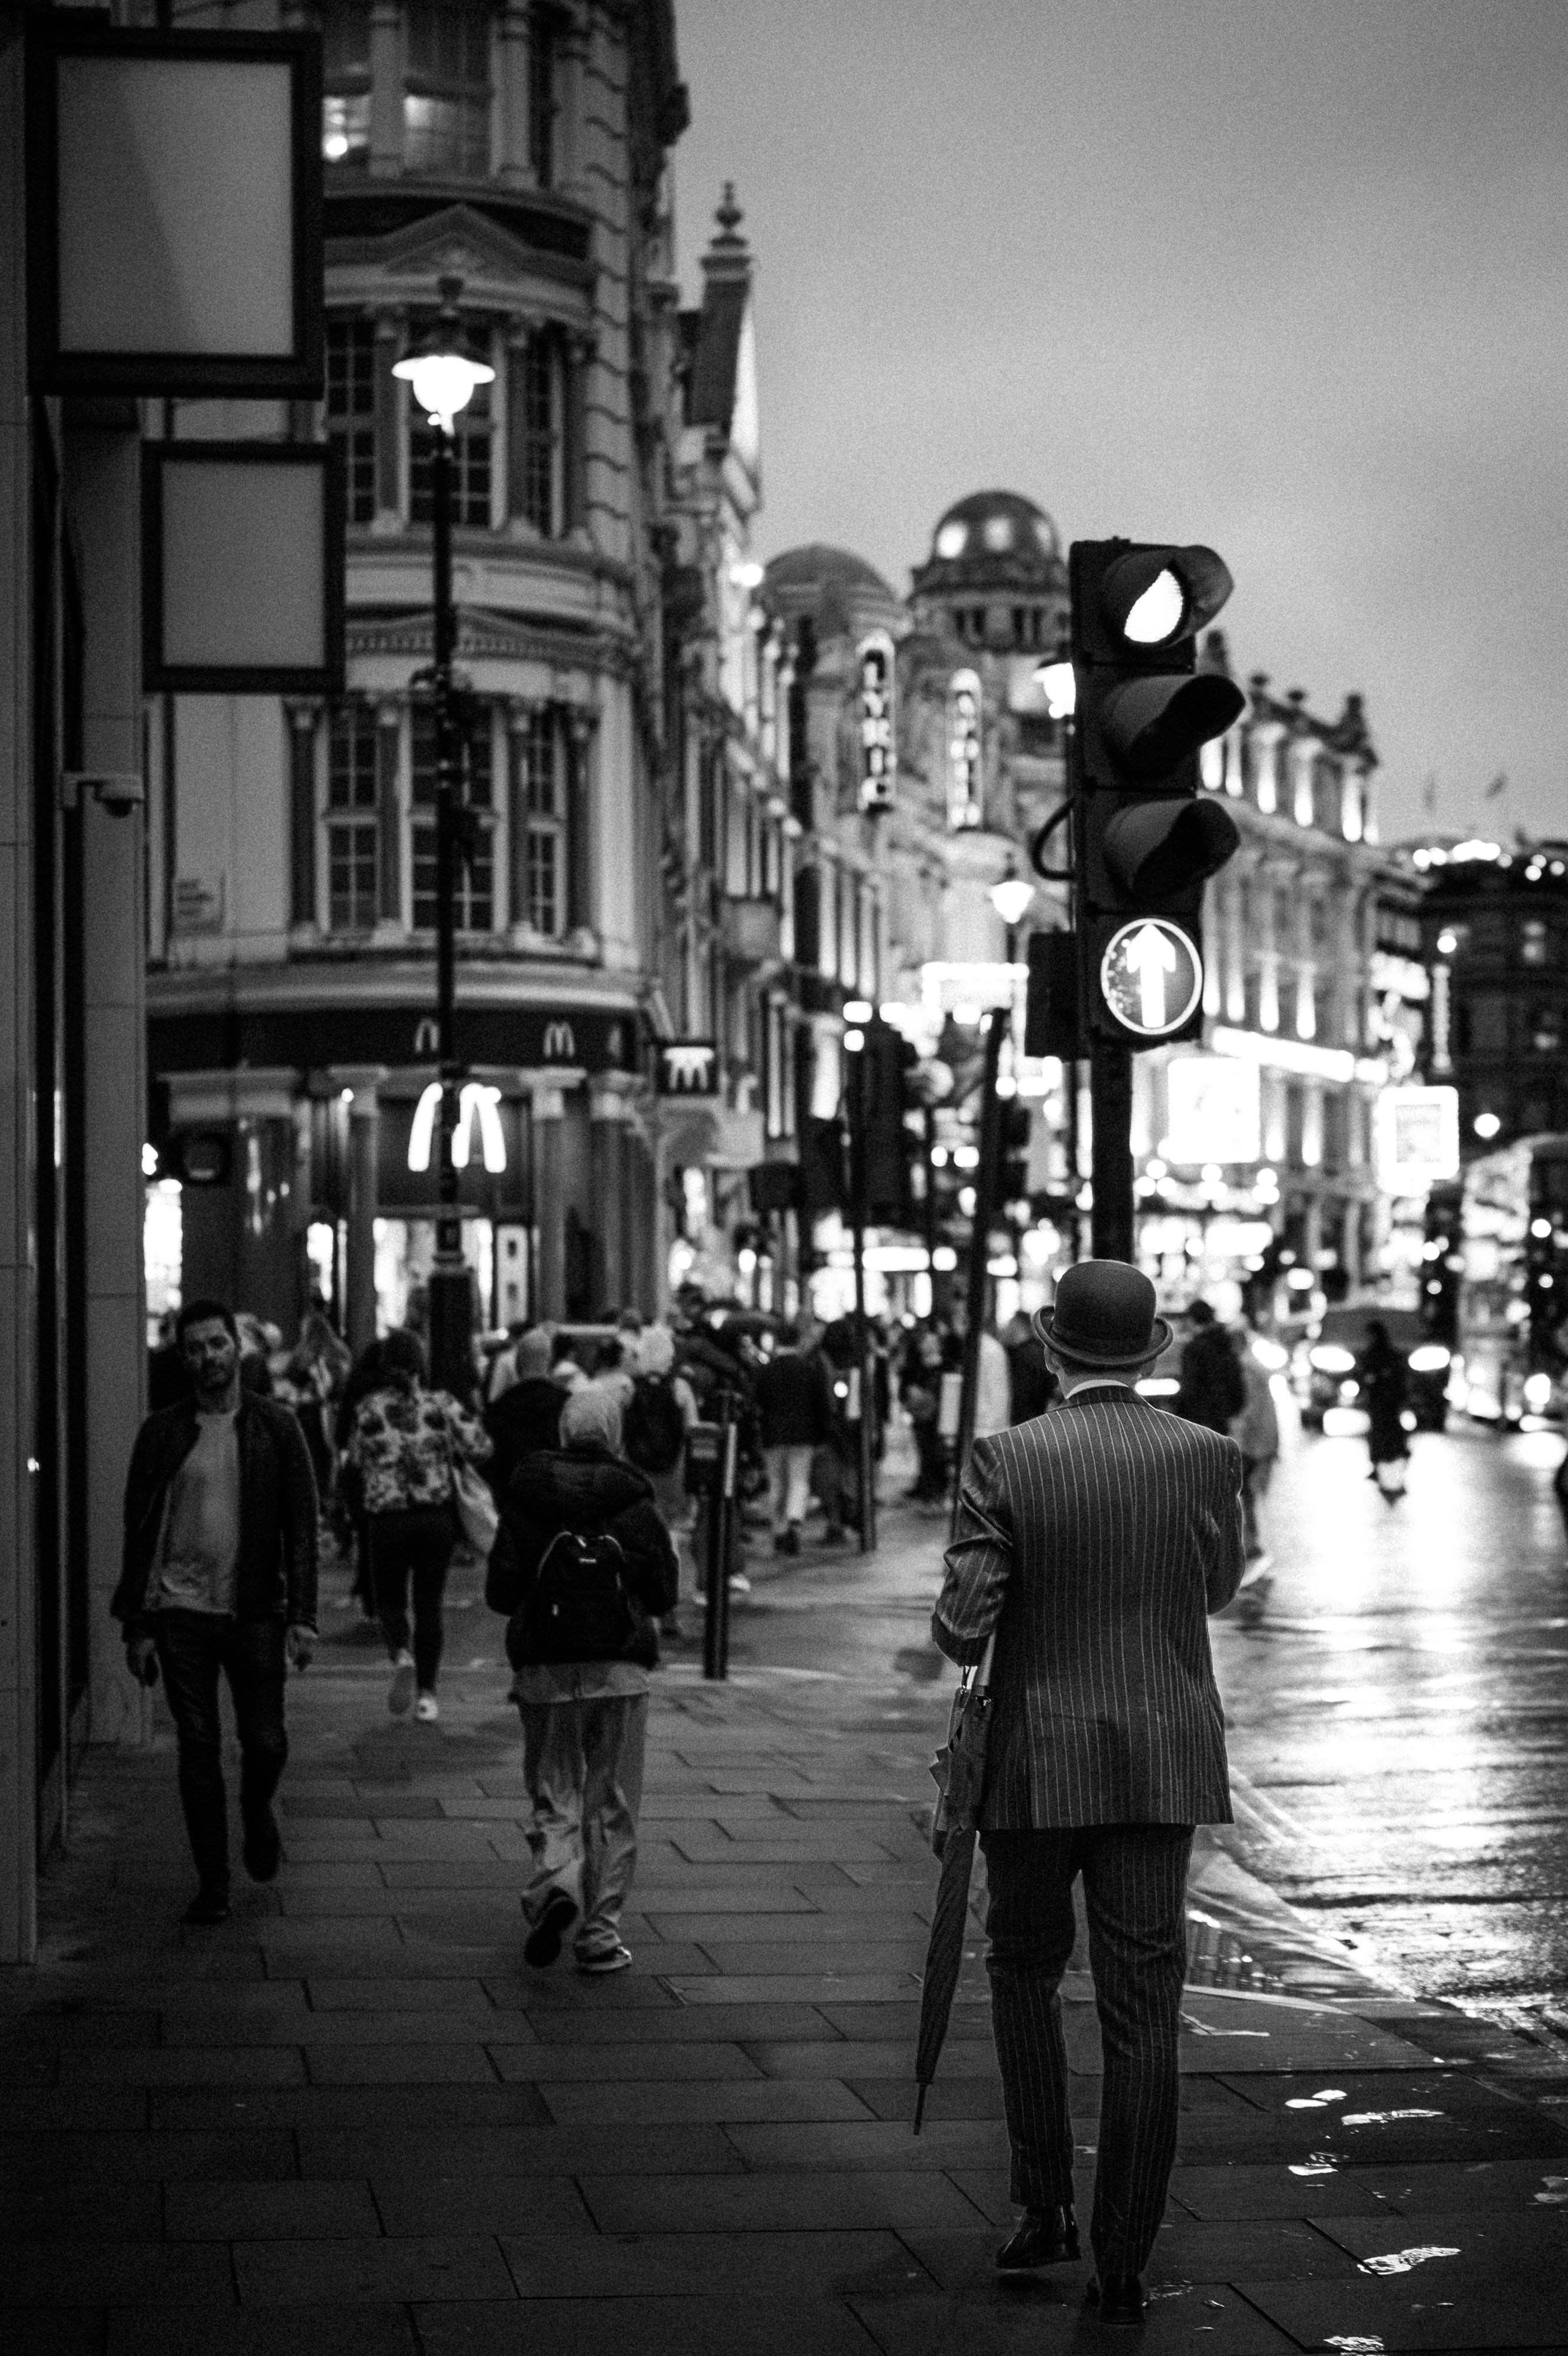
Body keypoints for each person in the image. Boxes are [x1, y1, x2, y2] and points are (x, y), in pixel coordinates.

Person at [933, 1260, 1245, 2327]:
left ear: (1050, 1346)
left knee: (1022, 1969)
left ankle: (1041, 2204)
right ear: (1150, 1353)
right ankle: (1124, 2260)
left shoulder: (1006, 1457)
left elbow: (962, 1626)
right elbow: (1220, 1588)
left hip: (1034, 1759)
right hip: (1160, 1758)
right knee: (1143, 2007)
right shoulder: (1205, 1457)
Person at [113, 1297, 319, 1926]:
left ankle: (257, 1811)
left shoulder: (276, 1427)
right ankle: (213, 1883)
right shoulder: (163, 1432)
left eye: (216, 1344)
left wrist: (303, 1616)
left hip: (254, 1610)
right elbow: (139, 1530)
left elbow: (301, 1528)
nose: (207, 1357)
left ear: (237, 1348)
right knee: (197, 1745)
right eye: (195, 1348)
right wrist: (139, 1625)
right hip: (180, 1614)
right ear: (184, 1359)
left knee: (266, 1741)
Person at [486, 1386, 679, 1974]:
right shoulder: (636, 1503)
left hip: (544, 1669)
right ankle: (599, 1933)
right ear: (615, 1436)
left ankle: (559, 1880)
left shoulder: (526, 1498)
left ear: (563, 1435)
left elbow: (500, 1593)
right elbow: (664, 1592)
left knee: (556, 1789)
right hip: (619, 1671)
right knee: (614, 1802)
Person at [346, 1328, 491, 1723]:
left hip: (387, 1520)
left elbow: (357, 1460)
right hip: (435, 1520)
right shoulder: (441, 1404)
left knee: (389, 1601)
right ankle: (428, 1695)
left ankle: (402, 1654)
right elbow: (481, 1446)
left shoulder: (369, 1409)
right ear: (420, 1363)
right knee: (429, 1606)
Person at [753, 1321, 833, 1555]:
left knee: (777, 1483)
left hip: (774, 1436)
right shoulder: (807, 1369)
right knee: (799, 1482)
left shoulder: (767, 1371)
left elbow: (758, 1402)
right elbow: (822, 1405)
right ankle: (795, 1522)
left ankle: (779, 1529)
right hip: (803, 1436)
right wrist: (822, 1434)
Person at [1230, 1325, 1280, 1566]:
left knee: (1247, 1492)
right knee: (1251, 1492)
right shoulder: (1255, 1364)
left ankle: (1251, 1543)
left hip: (1254, 1442)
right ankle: (1252, 1542)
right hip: (1265, 1439)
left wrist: (1238, 1433)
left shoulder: (1245, 1368)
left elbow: (1250, 1409)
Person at [1173, 1298, 1245, 1434]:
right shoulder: (1225, 1343)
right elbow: (1235, 1379)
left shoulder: (1195, 1349)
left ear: (1192, 1320)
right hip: (1223, 1416)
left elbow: (1191, 1385)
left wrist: (1179, 1413)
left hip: (1201, 1419)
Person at [1358, 1318, 1410, 1500]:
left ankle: (1388, 1458)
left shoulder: (1377, 1354)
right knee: (1387, 1429)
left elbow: (1370, 1376)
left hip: (1382, 1400)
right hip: (1387, 1400)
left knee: (1382, 1430)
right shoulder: (1389, 1353)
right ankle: (1391, 1457)